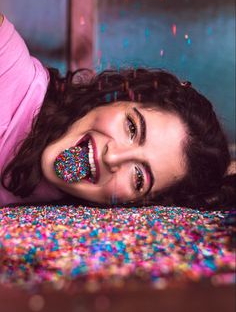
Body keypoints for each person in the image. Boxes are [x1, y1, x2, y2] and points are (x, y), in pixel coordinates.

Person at [0, 14, 235, 209]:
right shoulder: (8, 64)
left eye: (139, 177)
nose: (112, 158)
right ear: (117, 98)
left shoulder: (60, 207)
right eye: (132, 127)